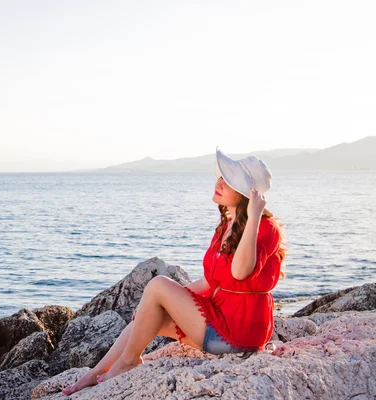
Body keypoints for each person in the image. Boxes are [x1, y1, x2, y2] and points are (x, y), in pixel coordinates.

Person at [62, 147, 287, 395]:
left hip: (239, 333)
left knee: (158, 284)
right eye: (221, 177)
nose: (219, 183)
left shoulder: (265, 228)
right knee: (144, 317)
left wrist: (254, 217)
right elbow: (211, 282)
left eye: (228, 181)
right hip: (220, 319)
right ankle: (96, 372)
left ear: (246, 193)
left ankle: (126, 363)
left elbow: (240, 273)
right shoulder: (227, 225)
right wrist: (157, 303)